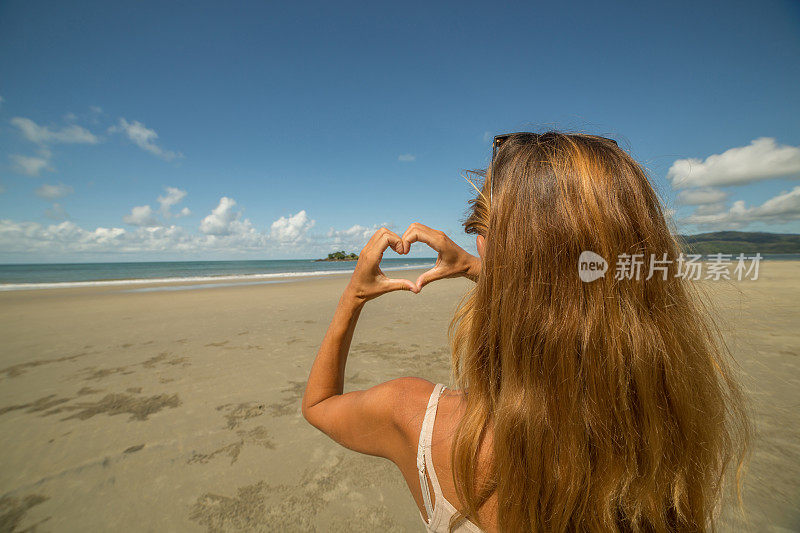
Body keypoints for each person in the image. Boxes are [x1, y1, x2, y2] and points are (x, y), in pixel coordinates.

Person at [302, 132, 750, 532]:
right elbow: (580, 284)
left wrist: (354, 296)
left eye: (481, 229)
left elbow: (320, 405)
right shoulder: (661, 431)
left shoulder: (417, 419)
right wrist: (485, 267)